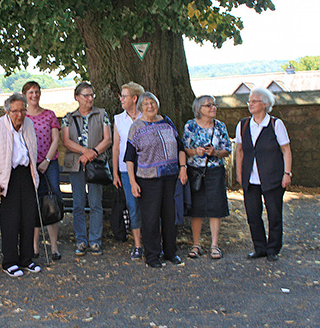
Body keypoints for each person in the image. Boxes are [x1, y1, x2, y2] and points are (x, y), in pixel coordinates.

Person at [125, 92, 188, 268]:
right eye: (146, 104)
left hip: (170, 177)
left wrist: (183, 168)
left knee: (170, 217)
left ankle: (170, 252)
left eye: (152, 102)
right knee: (151, 219)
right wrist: (132, 182)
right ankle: (152, 256)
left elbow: (180, 148)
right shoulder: (136, 127)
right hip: (148, 180)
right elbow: (129, 158)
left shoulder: (167, 122)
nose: (150, 106)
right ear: (140, 108)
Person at [0, 93, 41, 277]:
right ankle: (9, 261)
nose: (19, 115)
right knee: (10, 220)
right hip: (6, 177)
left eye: (23, 110)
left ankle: (26, 259)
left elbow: (32, 150)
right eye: (15, 111)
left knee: (28, 218)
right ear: (7, 112)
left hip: (26, 174)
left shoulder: (28, 124)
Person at [235, 88, 292, 262]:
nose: (250, 104)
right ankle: (259, 248)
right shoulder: (243, 125)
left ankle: (273, 249)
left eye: (254, 101)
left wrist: (287, 173)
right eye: (249, 101)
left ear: (264, 104)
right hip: (250, 179)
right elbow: (239, 151)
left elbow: (286, 149)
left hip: (273, 177)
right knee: (253, 215)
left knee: (274, 215)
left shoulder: (275, 124)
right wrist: (239, 174)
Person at [62, 82, 112, 256]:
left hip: (96, 164)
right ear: (77, 97)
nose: (90, 98)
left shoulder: (102, 114)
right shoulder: (69, 117)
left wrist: (93, 154)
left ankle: (95, 241)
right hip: (76, 165)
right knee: (78, 203)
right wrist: (84, 151)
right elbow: (66, 141)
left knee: (96, 203)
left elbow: (108, 139)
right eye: (86, 95)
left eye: (92, 95)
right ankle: (81, 240)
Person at [183, 96, 231, 260]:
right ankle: (196, 244)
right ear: (199, 109)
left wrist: (215, 153)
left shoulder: (220, 126)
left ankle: (214, 245)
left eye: (214, 105)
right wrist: (196, 151)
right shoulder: (190, 125)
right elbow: (184, 149)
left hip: (215, 171)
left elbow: (227, 149)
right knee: (196, 208)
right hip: (196, 171)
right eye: (208, 105)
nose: (213, 108)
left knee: (215, 207)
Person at [23, 81, 63, 261]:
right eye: (31, 92)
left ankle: (54, 246)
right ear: (25, 94)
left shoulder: (49, 115)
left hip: (50, 164)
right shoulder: (22, 116)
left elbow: (56, 139)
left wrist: (47, 160)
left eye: (37, 92)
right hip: (28, 164)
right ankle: (34, 247)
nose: (34, 95)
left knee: (51, 202)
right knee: (33, 203)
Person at [112, 82, 145, 260]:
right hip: (126, 170)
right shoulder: (118, 119)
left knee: (150, 206)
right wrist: (115, 172)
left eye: (124, 96)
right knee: (133, 207)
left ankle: (153, 241)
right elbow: (116, 147)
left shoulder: (146, 116)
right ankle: (138, 245)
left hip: (147, 170)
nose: (121, 99)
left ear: (134, 98)